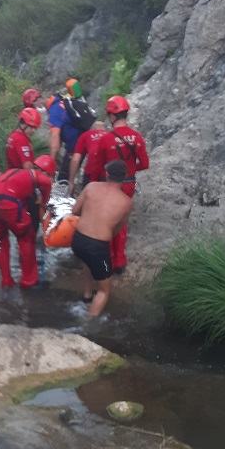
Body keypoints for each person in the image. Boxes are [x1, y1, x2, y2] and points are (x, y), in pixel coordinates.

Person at [0, 155, 56, 290]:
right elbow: (47, 184)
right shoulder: (36, 175)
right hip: (9, 205)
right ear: (46, 172)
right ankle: (28, 281)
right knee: (26, 238)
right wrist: (44, 200)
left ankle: (6, 280)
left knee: (1, 241)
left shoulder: (10, 174)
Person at [71, 160, 134, 318]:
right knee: (104, 290)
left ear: (107, 174)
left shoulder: (91, 186)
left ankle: (86, 296)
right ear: (124, 177)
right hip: (97, 246)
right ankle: (87, 326)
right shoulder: (126, 202)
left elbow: (75, 211)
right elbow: (117, 229)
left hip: (77, 240)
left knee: (88, 260)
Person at [97, 95, 149, 275]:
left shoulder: (105, 140)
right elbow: (145, 163)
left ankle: (109, 259)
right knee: (122, 221)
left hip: (111, 185)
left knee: (108, 220)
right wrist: (131, 170)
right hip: (129, 185)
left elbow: (99, 165)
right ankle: (120, 261)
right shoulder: (136, 137)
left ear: (111, 115)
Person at [66, 120, 112, 197]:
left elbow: (75, 159)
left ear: (92, 129)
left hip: (91, 172)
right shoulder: (111, 135)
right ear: (105, 129)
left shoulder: (86, 135)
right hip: (109, 174)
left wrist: (71, 181)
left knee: (88, 200)